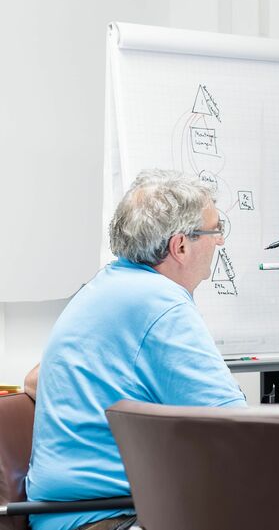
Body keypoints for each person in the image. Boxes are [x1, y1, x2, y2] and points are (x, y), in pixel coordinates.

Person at [25, 170, 247, 530]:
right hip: (108, 517)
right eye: (215, 230)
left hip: (63, 516)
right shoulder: (161, 302)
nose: (220, 241)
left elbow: (34, 379)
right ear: (180, 246)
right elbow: (239, 429)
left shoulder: (104, 285)